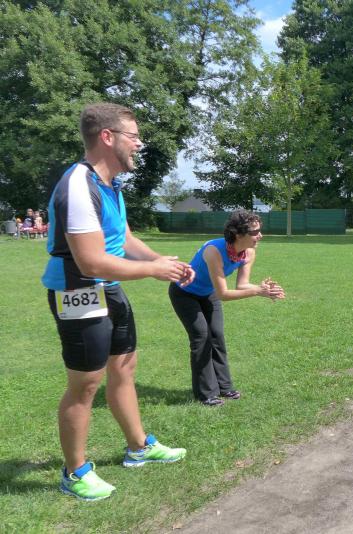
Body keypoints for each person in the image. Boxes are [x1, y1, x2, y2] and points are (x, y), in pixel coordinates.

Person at [41, 102, 195, 501]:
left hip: (108, 287)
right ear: (107, 137)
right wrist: (152, 270)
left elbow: (123, 239)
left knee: (125, 367)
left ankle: (138, 447)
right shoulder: (78, 184)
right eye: (134, 136)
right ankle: (75, 472)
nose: (139, 144)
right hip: (77, 290)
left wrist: (164, 262)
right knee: (86, 383)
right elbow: (89, 261)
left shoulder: (110, 184)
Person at [168, 210, 285, 406]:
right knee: (201, 338)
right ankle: (206, 394)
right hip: (184, 293)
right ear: (238, 234)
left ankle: (225, 387)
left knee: (217, 336)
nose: (260, 236)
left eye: (259, 230)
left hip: (209, 293)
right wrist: (257, 291)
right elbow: (223, 294)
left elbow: (242, 285)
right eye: (255, 232)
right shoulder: (213, 251)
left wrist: (263, 290)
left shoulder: (249, 252)